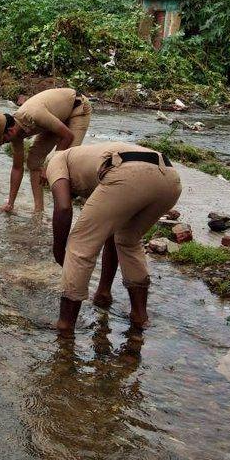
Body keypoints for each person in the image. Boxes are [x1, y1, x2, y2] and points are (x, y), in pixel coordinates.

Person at [45, 141, 182, 334]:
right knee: (128, 240)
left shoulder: (55, 160)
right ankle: (139, 316)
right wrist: (103, 290)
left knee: (80, 243)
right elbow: (110, 224)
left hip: (127, 173)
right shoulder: (85, 161)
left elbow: (64, 207)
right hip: (169, 177)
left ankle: (65, 324)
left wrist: (59, 250)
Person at [0, 86, 92, 213]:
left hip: (77, 109)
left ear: (10, 131)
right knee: (33, 161)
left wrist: (49, 166)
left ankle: (86, 204)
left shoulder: (34, 115)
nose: (6, 143)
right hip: (55, 118)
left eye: (5, 140)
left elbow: (68, 136)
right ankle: (39, 211)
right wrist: (10, 204)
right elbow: (17, 168)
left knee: (68, 163)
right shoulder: (15, 134)